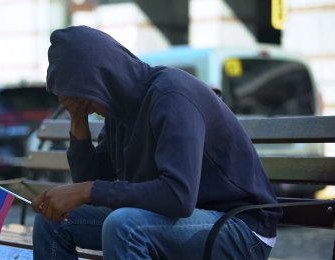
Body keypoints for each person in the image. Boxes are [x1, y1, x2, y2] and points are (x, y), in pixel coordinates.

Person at [32, 25, 282, 260]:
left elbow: (178, 196)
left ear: (100, 79)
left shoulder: (171, 95)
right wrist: (78, 121)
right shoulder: (117, 111)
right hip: (170, 220)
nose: (86, 106)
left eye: (84, 98)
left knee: (124, 226)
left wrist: (87, 190)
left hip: (239, 227)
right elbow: (94, 183)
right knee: (54, 220)